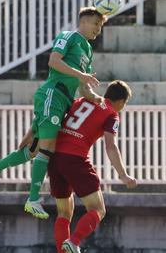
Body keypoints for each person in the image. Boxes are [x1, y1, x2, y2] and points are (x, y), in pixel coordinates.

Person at [0, 6, 106, 220]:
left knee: (34, 150)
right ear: (84, 21)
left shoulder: (87, 49)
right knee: (48, 148)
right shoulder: (68, 36)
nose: (98, 30)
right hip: (52, 94)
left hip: (63, 101)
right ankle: (32, 199)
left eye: (101, 26)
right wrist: (81, 76)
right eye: (96, 24)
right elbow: (54, 61)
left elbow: (83, 86)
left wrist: (94, 96)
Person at [47, 80, 137, 253]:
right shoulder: (111, 113)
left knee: (64, 213)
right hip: (75, 159)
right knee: (98, 209)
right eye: (125, 104)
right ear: (120, 102)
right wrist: (123, 175)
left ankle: (62, 251)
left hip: (55, 158)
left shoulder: (82, 100)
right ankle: (74, 242)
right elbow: (111, 146)